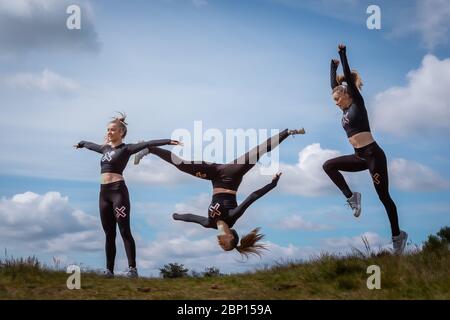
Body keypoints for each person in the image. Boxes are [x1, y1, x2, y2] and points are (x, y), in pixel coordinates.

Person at [134, 128, 305, 257]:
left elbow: (191, 218)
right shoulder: (232, 217)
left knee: (182, 165)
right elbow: (252, 197)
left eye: (221, 246)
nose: (219, 243)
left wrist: (176, 216)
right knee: (257, 152)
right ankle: (288, 132)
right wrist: (272, 184)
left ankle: (149, 148)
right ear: (230, 237)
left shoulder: (210, 223)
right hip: (231, 176)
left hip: (214, 176)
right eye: (224, 245)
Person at [323, 44, 407, 254]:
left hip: (373, 156)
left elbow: (348, 82)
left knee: (384, 197)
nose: (335, 104)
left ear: (346, 95)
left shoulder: (357, 104)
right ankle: (352, 197)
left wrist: (342, 55)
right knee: (328, 166)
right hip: (359, 157)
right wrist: (332, 68)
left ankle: (398, 235)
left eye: (336, 99)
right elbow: (333, 86)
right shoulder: (343, 108)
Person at [74, 113, 181, 277]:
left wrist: (167, 141)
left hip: (118, 192)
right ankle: (109, 270)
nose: (109, 132)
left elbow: (148, 143)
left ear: (121, 132)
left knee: (124, 230)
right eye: (108, 130)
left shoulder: (127, 149)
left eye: (112, 130)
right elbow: (90, 145)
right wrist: (81, 144)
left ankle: (132, 269)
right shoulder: (105, 149)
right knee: (109, 233)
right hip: (103, 194)